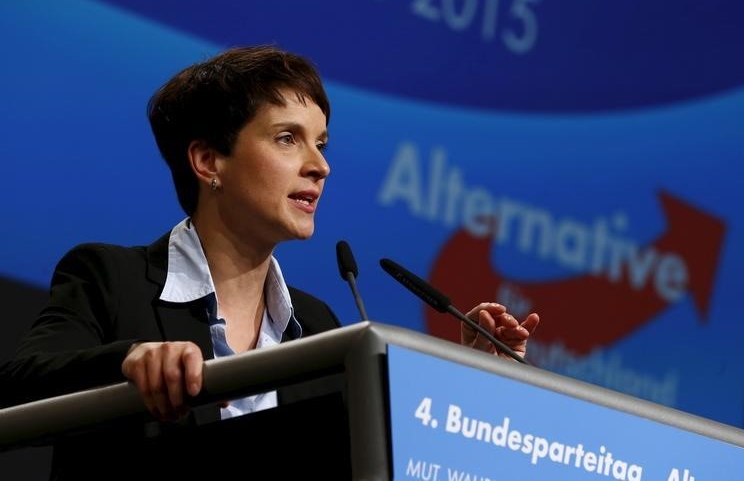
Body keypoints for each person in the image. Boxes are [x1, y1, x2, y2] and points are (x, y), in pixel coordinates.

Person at [0, 45, 539, 476]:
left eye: (322, 143)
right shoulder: (109, 278)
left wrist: (474, 379)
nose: (320, 166)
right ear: (209, 160)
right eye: (288, 139)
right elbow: (19, 382)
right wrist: (130, 360)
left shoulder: (319, 328)